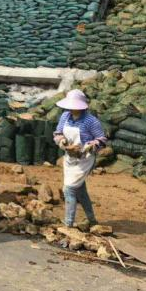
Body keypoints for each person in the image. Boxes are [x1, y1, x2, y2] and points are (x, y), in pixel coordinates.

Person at [53, 89, 106, 229]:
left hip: (84, 160)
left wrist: (90, 145)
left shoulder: (91, 121)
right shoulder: (65, 116)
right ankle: (92, 220)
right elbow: (57, 133)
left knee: (69, 189)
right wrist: (62, 142)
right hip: (69, 158)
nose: (72, 109)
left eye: (74, 107)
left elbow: (101, 139)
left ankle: (68, 224)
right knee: (80, 190)